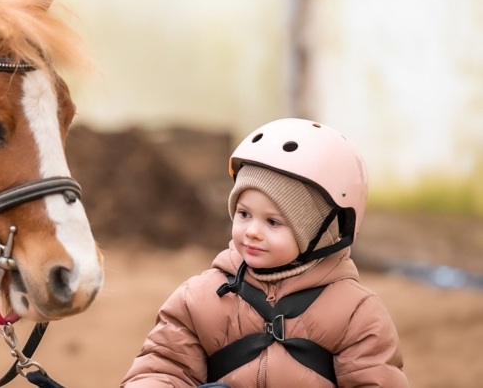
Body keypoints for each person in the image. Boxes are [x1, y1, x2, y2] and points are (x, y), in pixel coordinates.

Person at [121, 119, 408, 387]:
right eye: (244, 214)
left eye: (273, 222)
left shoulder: (356, 313)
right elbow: (162, 366)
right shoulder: (199, 298)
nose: (252, 231)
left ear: (321, 234)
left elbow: (376, 379)